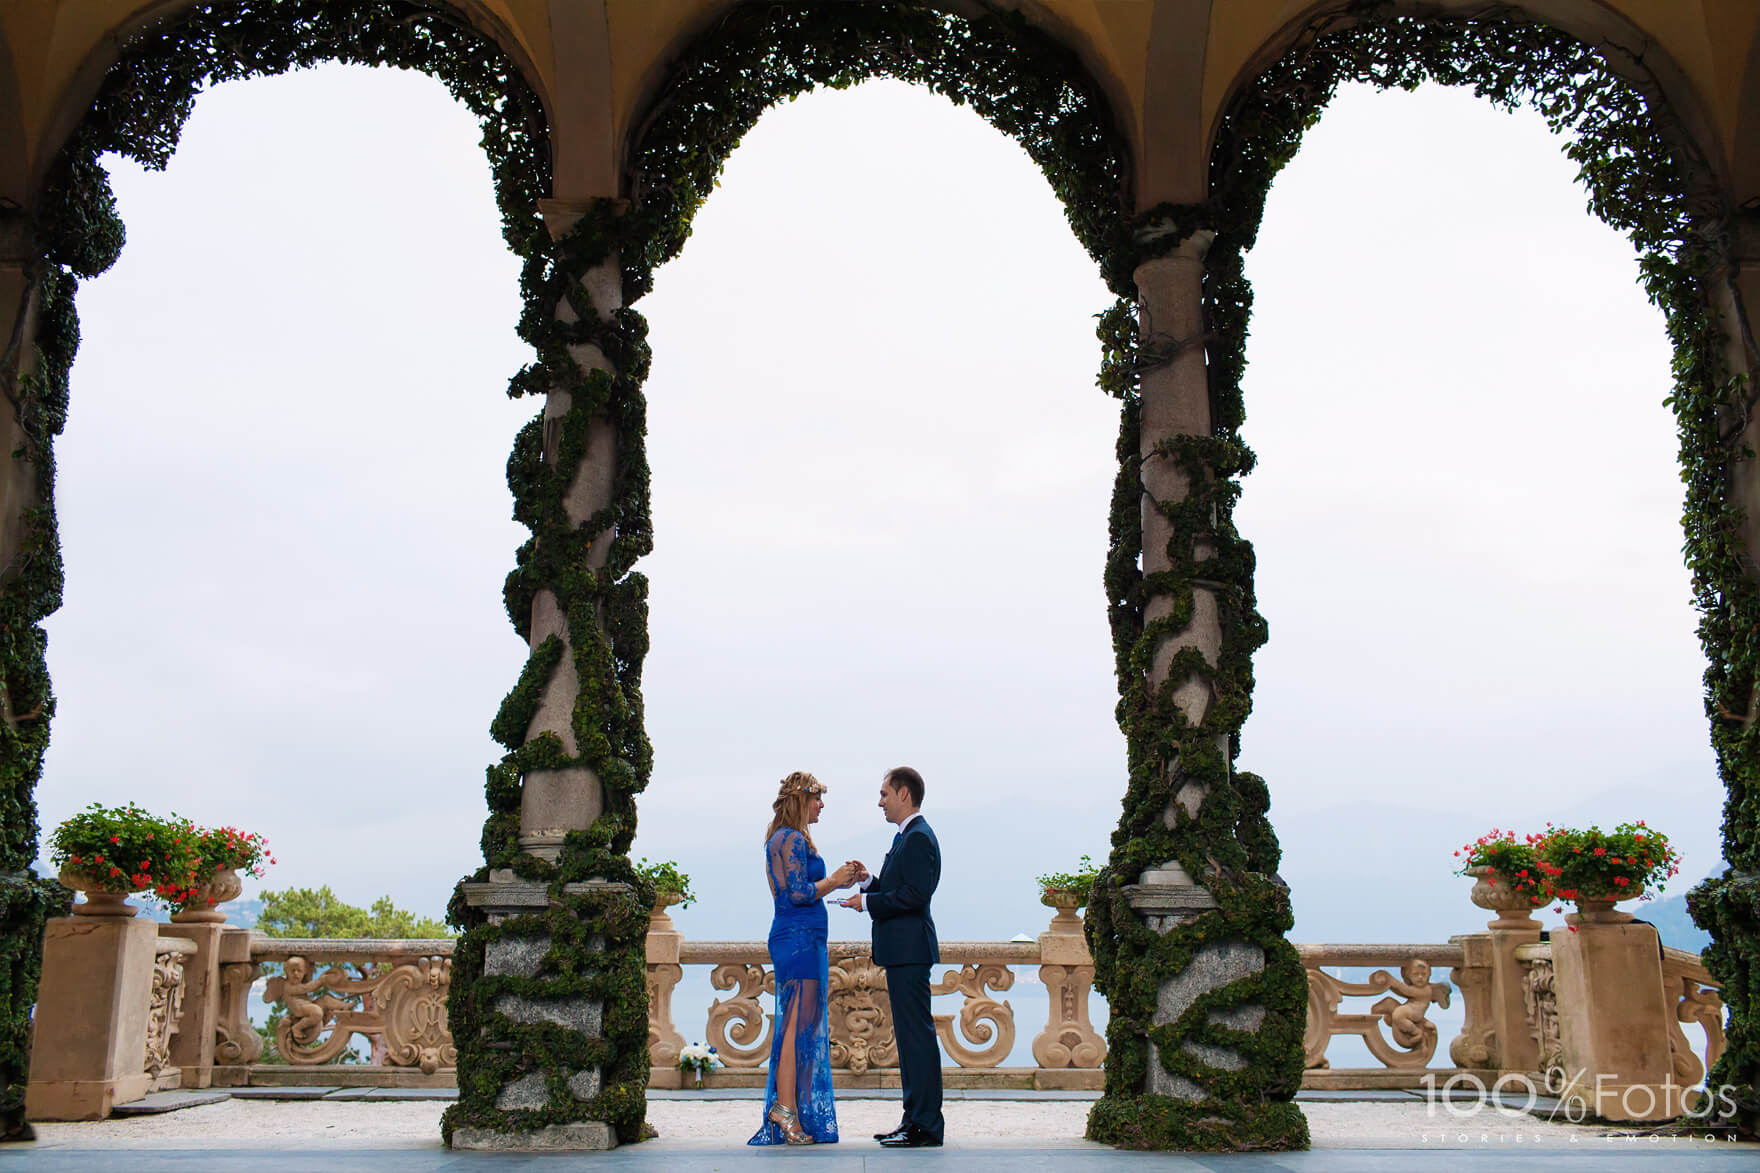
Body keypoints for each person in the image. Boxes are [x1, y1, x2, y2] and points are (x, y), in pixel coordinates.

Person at [749, 771, 864, 1146]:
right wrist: (833, 880)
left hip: (804, 938)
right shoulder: (791, 839)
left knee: (803, 1026)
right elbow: (798, 894)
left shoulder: (783, 839)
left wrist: (842, 882)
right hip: (798, 940)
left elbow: (801, 891)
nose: (822, 805)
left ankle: (793, 1105)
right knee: (796, 1027)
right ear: (801, 799)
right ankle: (785, 1108)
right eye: (817, 798)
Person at [839, 766, 943, 1147]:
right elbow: (899, 891)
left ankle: (926, 1126)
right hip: (903, 952)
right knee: (912, 1039)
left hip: (910, 952)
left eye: (884, 794)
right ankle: (913, 1119)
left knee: (917, 1039)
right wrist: (869, 882)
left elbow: (915, 896)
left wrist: (866, 902)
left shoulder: (918, 838)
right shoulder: (907, 837)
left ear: (903, 794)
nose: (879, 802)